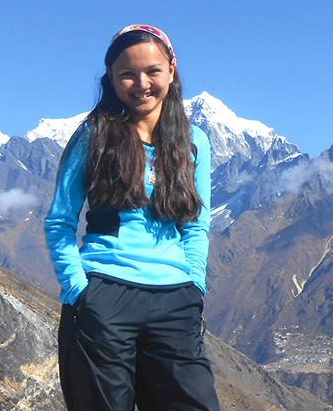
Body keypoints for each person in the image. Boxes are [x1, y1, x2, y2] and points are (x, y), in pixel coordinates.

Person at [44, 24, 220, 411]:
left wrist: (194, 285)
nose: (141, 83)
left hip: (175, 300)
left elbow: (196, 223)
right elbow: (59, 221)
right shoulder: (94, 135)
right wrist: (78, 290)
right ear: (111, 77)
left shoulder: (194, 142)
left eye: (153, 71)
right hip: (103, 297)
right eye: (127, 73)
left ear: (171, 70)